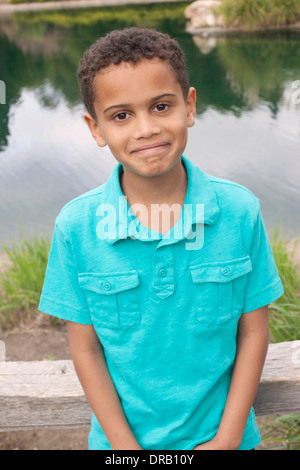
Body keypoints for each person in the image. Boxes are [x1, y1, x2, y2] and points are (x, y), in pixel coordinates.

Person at [38, 27, 284, 450]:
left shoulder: (239, 212)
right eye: (120, 116)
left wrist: (225, 443)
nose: (146, 128)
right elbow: (86, 351)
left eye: (160, 106)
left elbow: (252, 333)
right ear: (95, 129)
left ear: (189, 106)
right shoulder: (76, 227)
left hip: (228, 441)